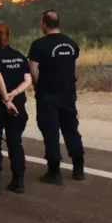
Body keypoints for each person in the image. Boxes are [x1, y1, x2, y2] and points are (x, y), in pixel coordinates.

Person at [28, 10, 85, 184]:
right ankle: (78, 169)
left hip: (48, 96)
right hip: (68, 95)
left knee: (50, 132)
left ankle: (54, 172)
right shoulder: (71, 44)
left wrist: (38, 87)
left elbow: (33, 71)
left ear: (44, 24)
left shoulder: (38, 45)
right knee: (71, 130)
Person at [0, 22, 32, 195]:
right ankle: (18, 181)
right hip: (18, 107)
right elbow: (28, 80)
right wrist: (15, 93)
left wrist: (6, 99)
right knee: (15, 143)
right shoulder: (20, 56)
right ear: (9, 35)